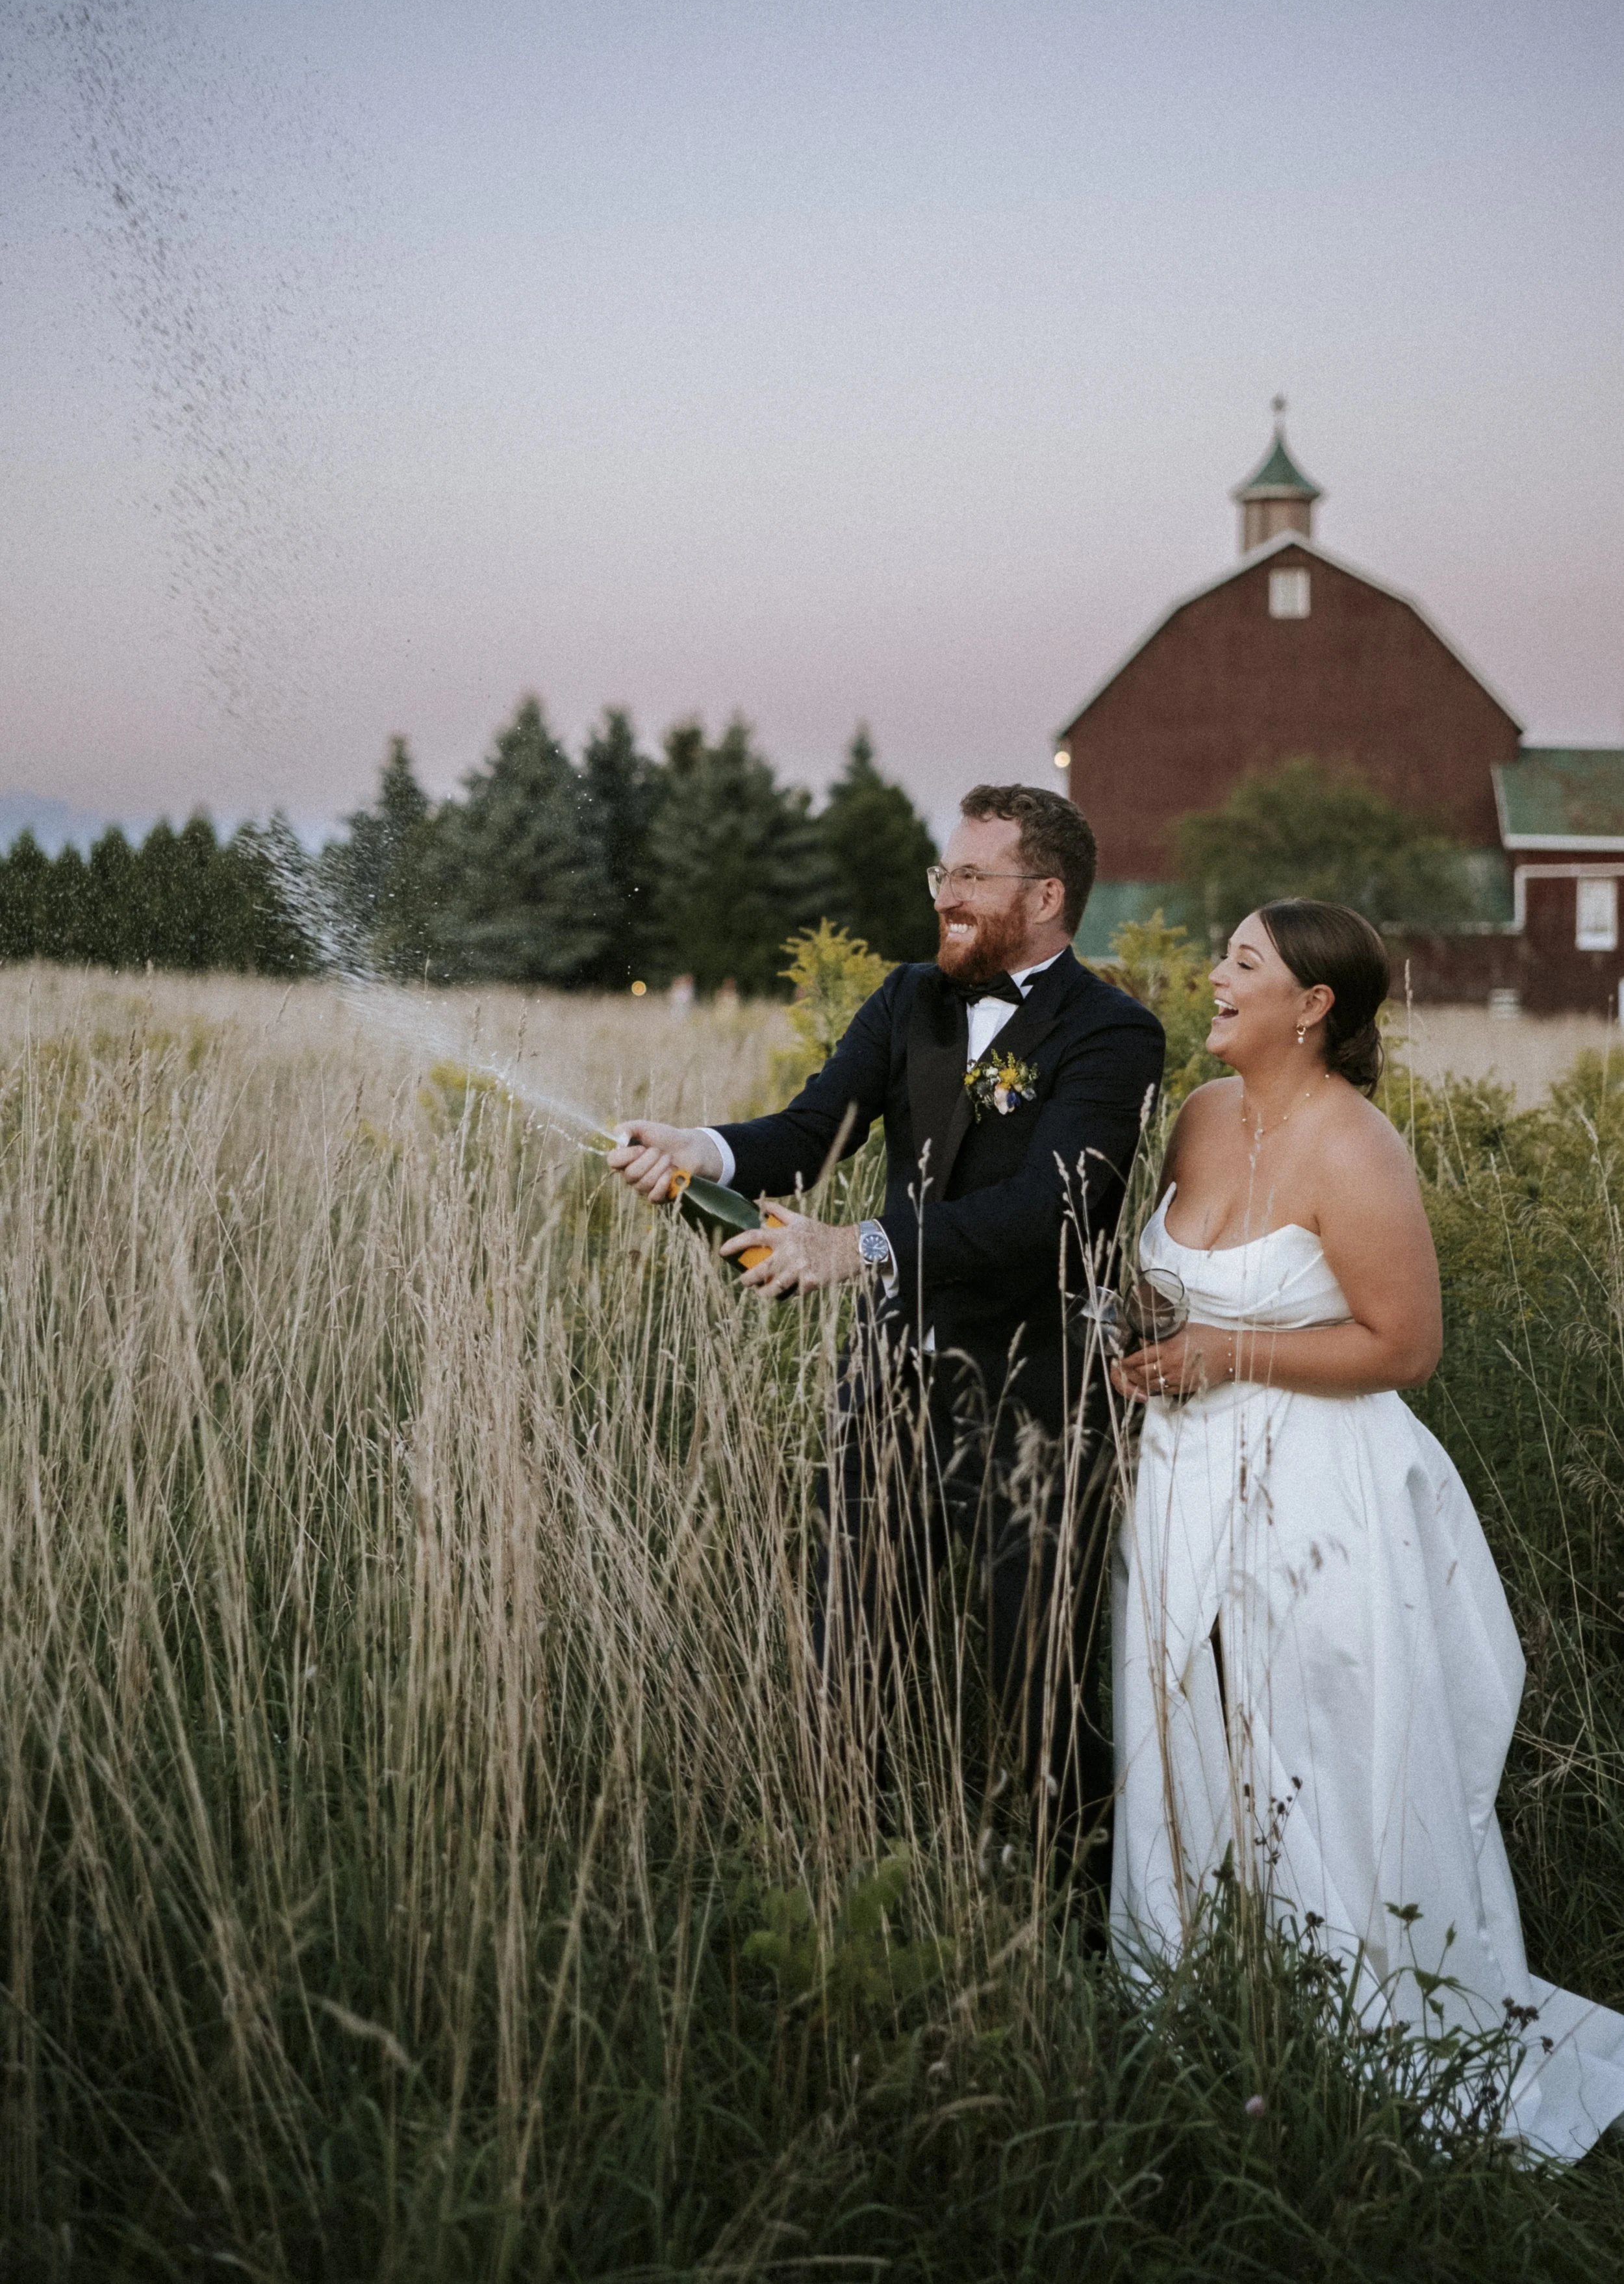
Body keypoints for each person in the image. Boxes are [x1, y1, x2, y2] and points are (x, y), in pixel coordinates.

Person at [1109, 896, 1624, 2161]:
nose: (1212, 977)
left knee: (1325, 1761)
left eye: (1240, 963)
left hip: (1323, 1494)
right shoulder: (1196, 1116)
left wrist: (1225, 1348)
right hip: (1180, 1484)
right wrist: (1140, 1345)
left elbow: (1401, 1344)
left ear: (1313, 1004)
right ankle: (1196, 2002)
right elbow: (1162, 1278)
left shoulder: (1356, 1148)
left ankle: (1362, 2028)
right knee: (1182, 1744)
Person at [607, 783, 1164, 1862]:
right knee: (850, 1653)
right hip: (886, 1389)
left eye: (971, 877)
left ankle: (1080, 1917)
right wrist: (700, 1150)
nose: (946, 896)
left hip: (1035, 1404)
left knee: (1034, 1678)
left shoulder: (1114, 1032)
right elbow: (813, 1131)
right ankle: (853, 1877)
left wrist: (850, 1245)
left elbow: (1052, 1209)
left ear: (1046, 894)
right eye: (941, 875)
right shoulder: (910, 997)